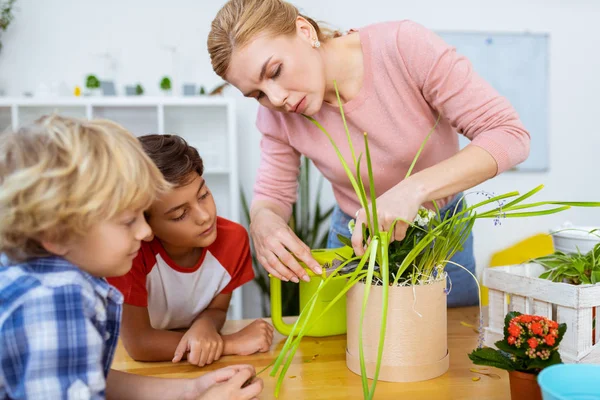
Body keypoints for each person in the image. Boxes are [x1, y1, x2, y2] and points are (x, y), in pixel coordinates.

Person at [207, 0, 530, 307]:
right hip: (355, 240)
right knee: (353, 352)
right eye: (257, 95)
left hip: (441, 234)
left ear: (304, 31)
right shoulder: (276, 115)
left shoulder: (403, 47)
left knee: (452, 345)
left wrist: (413, 190)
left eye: (275, 71)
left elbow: (509, 133)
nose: (276, 98)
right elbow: (272, 194)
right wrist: (263, 220)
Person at [0, 115, 263, 399]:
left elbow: (94, 378)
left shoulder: (45, 278)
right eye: (128, 221)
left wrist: (192, 390)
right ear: (59, 234)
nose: (145, 232)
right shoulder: (55, 300)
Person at [108, 134, 273, 366]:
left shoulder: (233, 240)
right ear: (144, 225)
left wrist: (205, 325)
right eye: (180, 214)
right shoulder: (130, 253)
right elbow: (139, 343)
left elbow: (216, 309)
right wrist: (230, 344)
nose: (205, 216)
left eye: (203, 195)